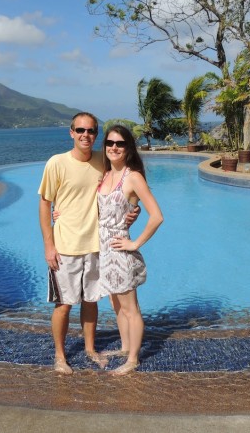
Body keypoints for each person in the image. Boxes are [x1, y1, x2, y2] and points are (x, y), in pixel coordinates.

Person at [38, 113, 138, 374]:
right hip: (65, 247)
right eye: (80, 129)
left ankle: (90, 349)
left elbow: (120, 192)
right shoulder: (56, 163)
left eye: (91, 130)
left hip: (97, 246)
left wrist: (133, 210)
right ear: (71, 132)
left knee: (91, 300)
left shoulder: (102, 162)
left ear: (96, 134)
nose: (85, 135)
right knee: (64, 304)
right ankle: (60, 356)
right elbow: (45, 203)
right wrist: (49, 244)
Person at [97, 125, 163, 375]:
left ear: (128, 149)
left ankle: (133, 359)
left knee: (130, 308)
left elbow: (156, 216)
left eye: (120, 144)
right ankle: (125, 347)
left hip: (119, 251)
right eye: (110, 143)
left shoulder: (132, 177)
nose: (114, 147)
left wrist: (134, 244)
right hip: (103, 252)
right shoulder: (103, 175)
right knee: (116, 304)